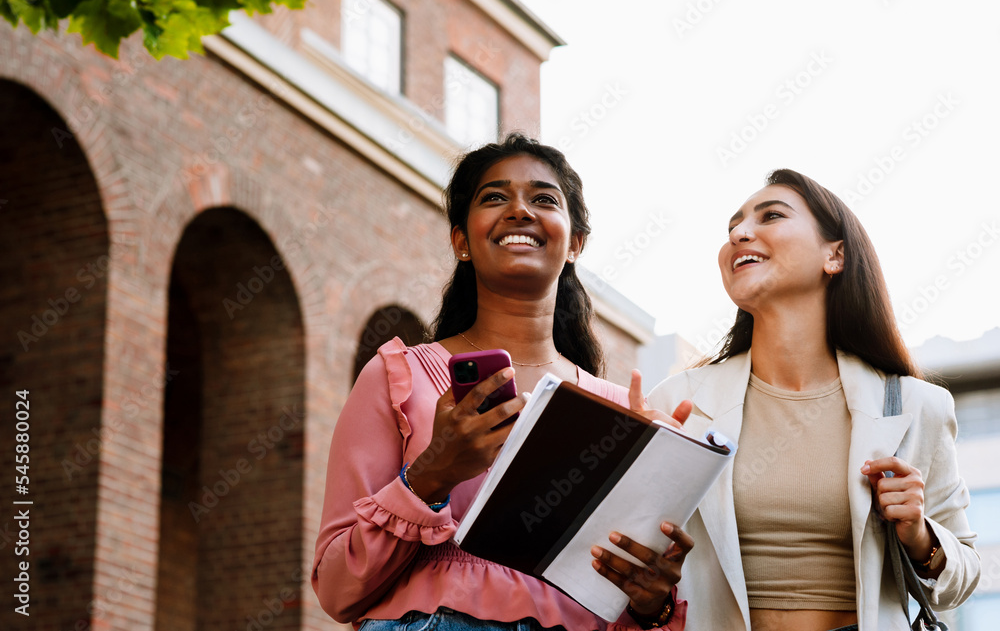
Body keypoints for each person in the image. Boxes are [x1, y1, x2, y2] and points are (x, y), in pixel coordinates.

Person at [312, 133, 692, 631]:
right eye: (494, 197)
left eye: (543, 199)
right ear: (461, 241)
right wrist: (431, 474)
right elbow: (338, 589)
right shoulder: (399, 377)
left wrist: (653, 603)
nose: (519, 210)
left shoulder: (623, 413)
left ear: (575, 242)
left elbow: (626, 602)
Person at [643, 169, 980, 631]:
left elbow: (963, 577)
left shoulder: (917, 405)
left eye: (771, 216)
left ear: (835, 255)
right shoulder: (677, 401)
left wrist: (920, 534)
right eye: (732, 228)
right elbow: (640, 573)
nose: (740, 234)